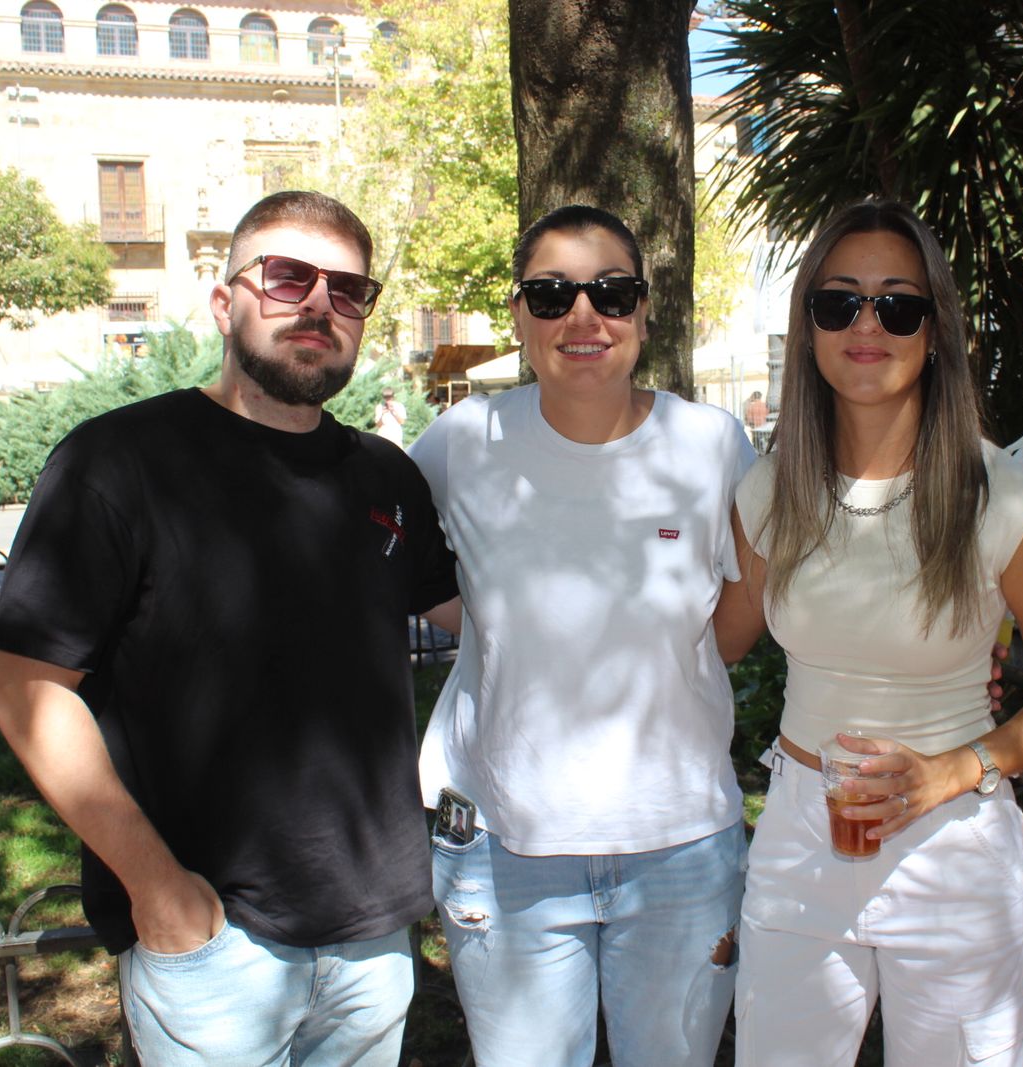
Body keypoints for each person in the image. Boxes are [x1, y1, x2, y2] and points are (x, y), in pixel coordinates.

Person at [0, 190, 459, 1067]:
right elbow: (26, 688)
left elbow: (477, 609)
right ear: (224, 300)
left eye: (348, 290)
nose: (319, 303)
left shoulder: (385, 475)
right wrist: (158, 890)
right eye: (287, 277)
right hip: (209, 944)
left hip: (372, 939)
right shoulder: (116, 462)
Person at [716, 199, 1023, 1067]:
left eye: (898, 304)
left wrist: (953, 770)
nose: (867, 324)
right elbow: (712, 644)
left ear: (936, 330)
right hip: (804, 836)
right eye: (838, 301)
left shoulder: (1007, 502)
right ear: (808, 325)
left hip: (953, 843)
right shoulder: (769, 493)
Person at [407, 204, 756, 1067]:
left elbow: (739, 624)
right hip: (504, 847)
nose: (583, 315)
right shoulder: (460, 443)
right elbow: (402, 575)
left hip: (680, 849)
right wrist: (498, 618)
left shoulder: (715, 446)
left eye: (611, 291)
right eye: (553, 292)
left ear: (644, 310)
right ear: (520, 313)